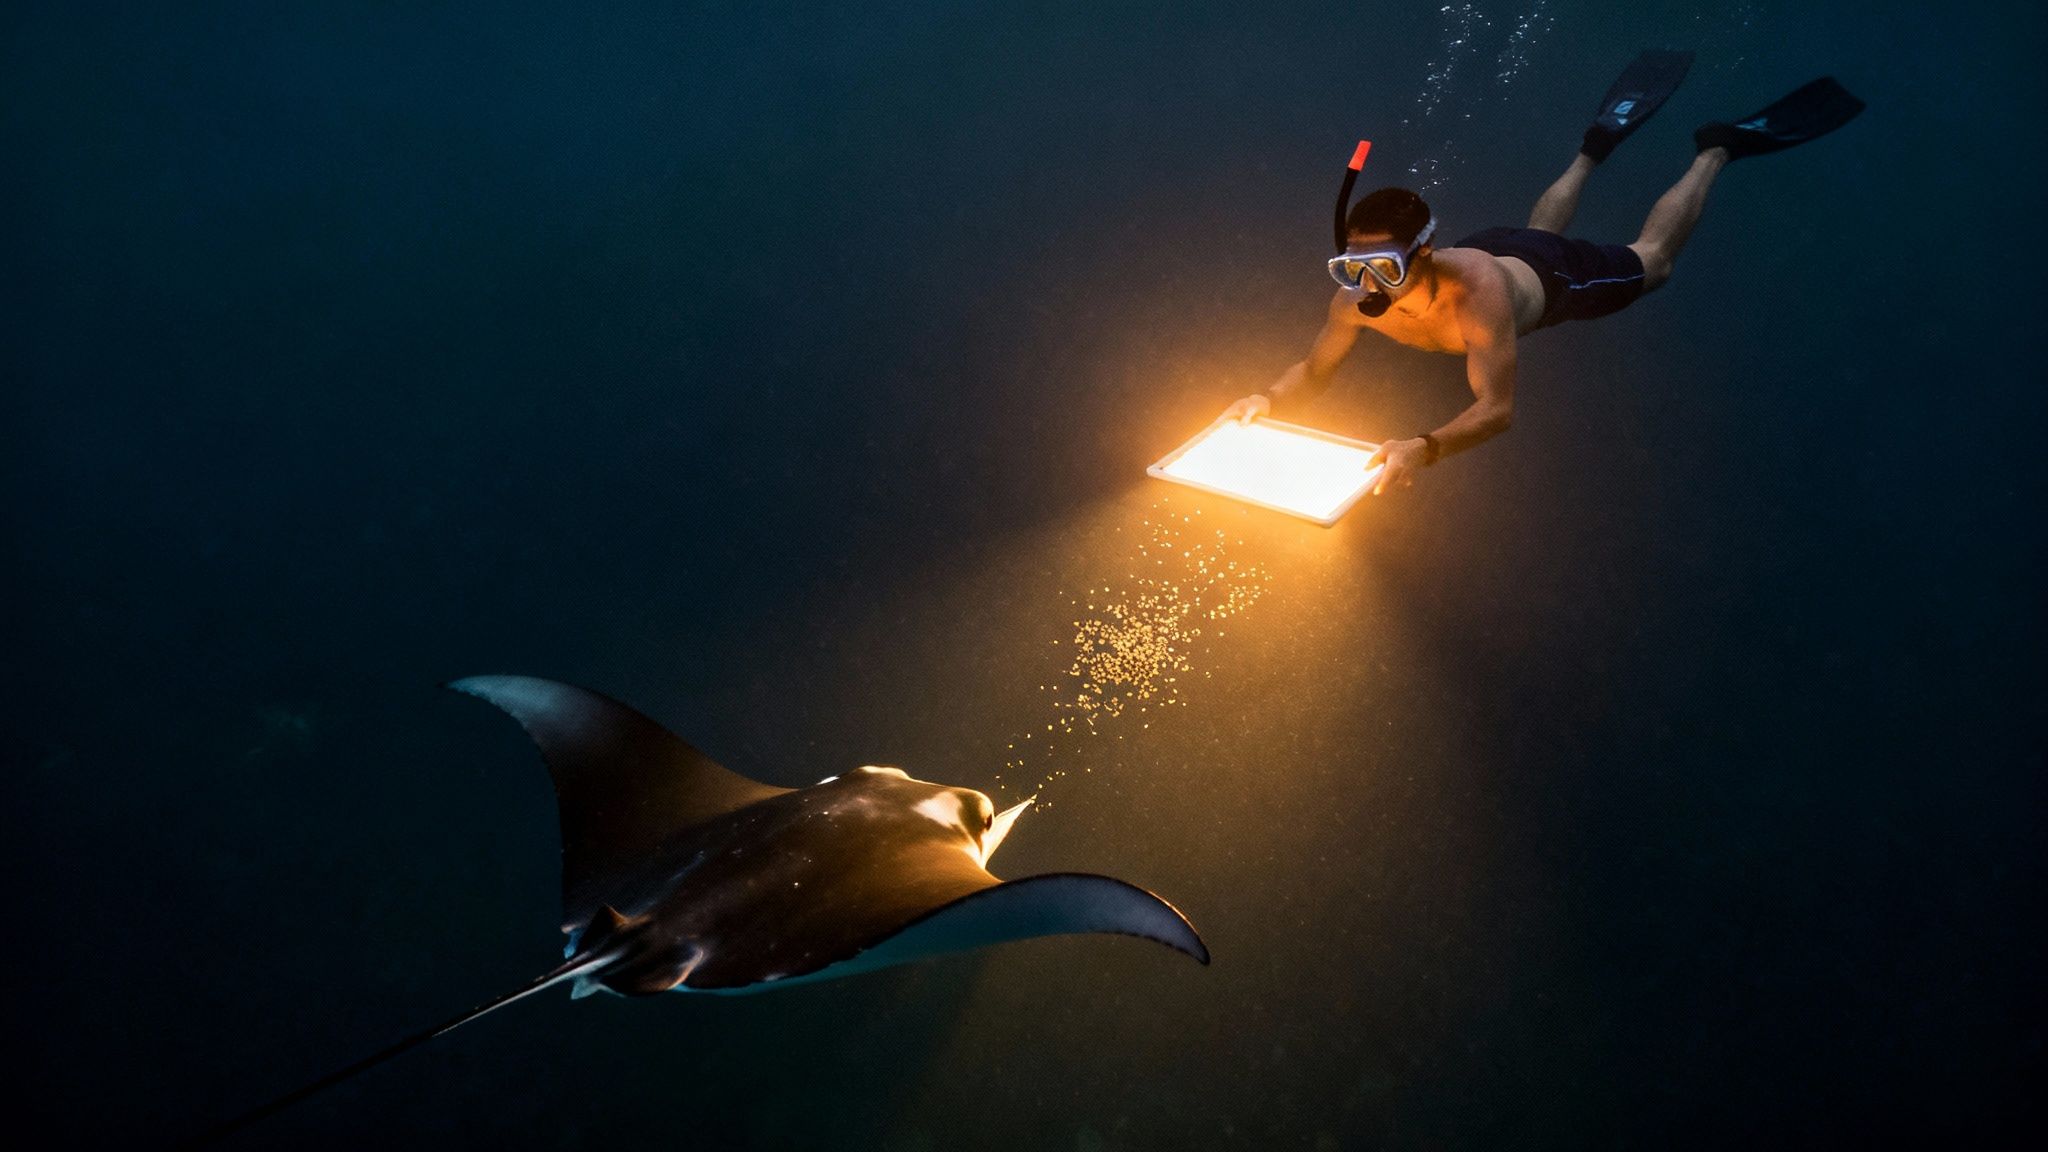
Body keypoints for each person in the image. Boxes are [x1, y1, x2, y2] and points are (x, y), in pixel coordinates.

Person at [1226, 53, 1863, 495]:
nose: (1368, 286)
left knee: (1655, 262)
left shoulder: (1478, 298)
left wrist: (1422, 445)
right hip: (1500, 247)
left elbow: (1497, 409)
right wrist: (1266, 398)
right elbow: (1313, 372)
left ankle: (1716, 148)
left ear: (1422, 252)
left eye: (1383, 266)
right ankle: (1594, 149)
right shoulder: (1353, 303)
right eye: (1352, 267)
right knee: (1530, 237)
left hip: (1547, 279)